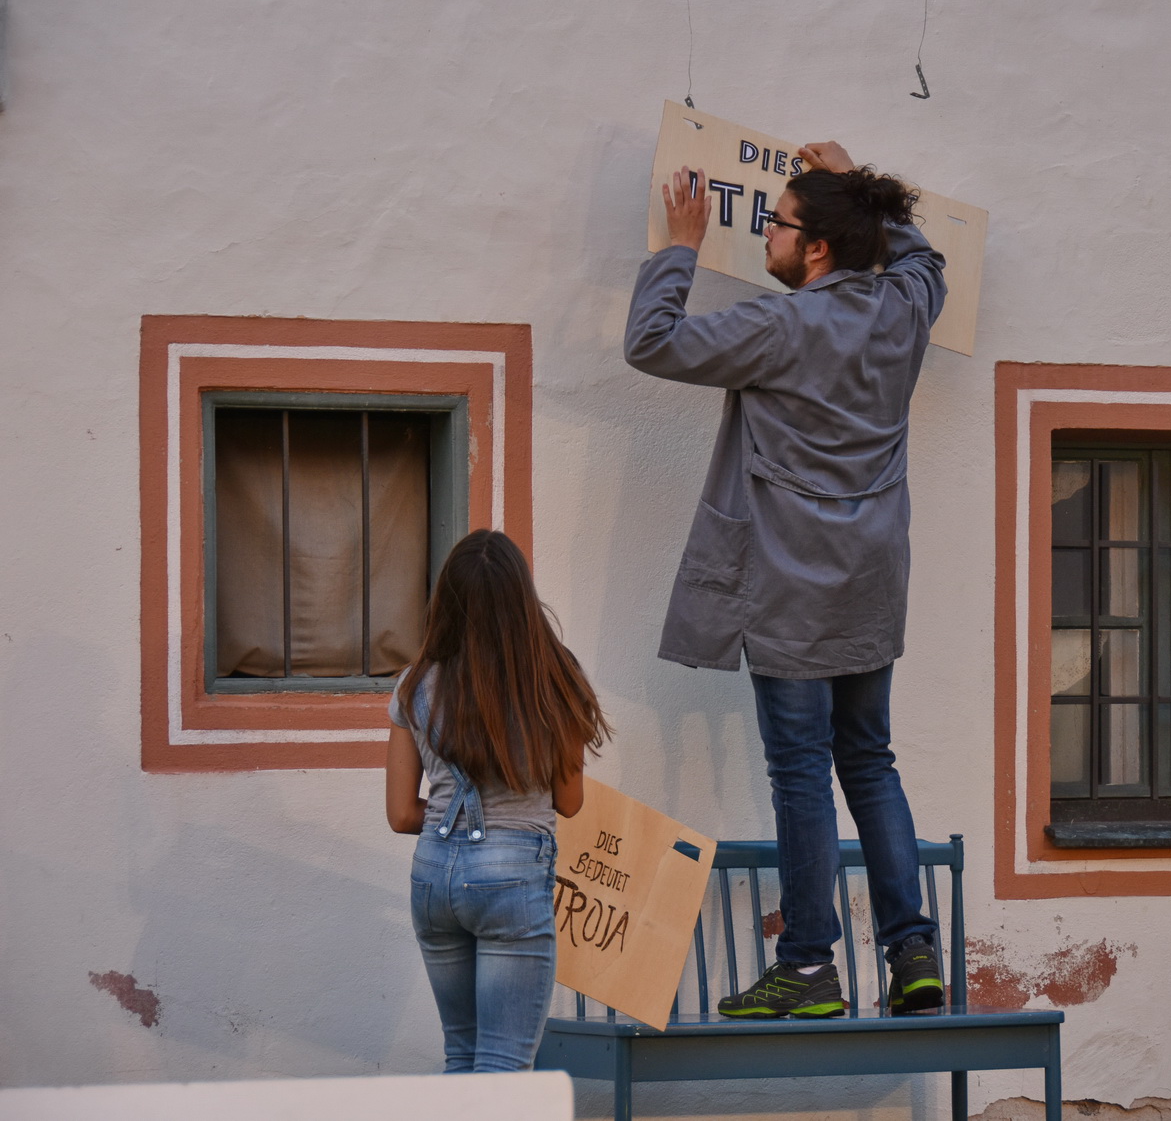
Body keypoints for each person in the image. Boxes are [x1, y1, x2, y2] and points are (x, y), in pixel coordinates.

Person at [624, 140, 947, 1019]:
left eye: (779, 221)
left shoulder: (780, 325)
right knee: (870, 761)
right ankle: (913, 952)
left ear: (816, 250)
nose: (764, 233)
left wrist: (679, 249)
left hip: (790, 587)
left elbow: (650, 342)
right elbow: (927, 260)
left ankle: (808, 967)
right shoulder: (901, 313)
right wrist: (859, 182)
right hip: (872, 582)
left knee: (802, 770)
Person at [385, 529, 611, 1071]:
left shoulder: (416, 683)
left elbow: (400, 814)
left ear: (447, 601)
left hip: (433, 879)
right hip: (512, 879)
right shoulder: (553, 680)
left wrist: (459, 827)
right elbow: (571, 801)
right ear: (521, 600)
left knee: (461, 1057)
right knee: (504, 1068)